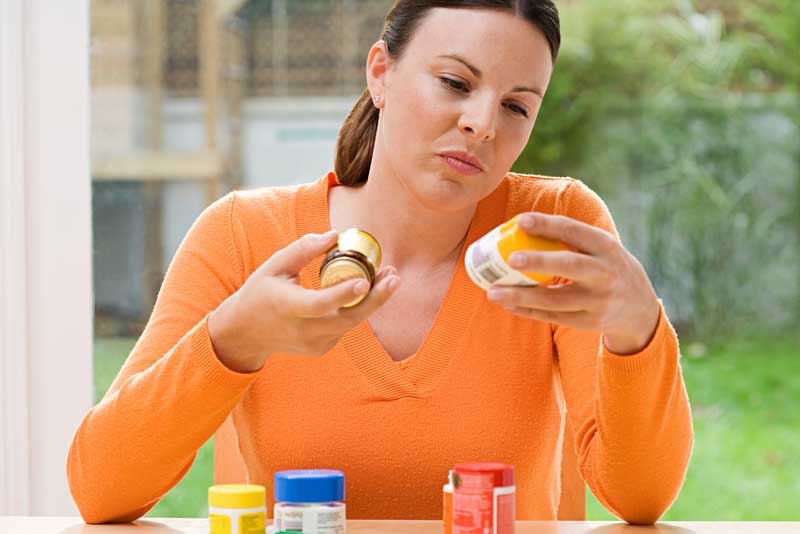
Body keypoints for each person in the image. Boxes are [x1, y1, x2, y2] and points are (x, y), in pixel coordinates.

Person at [68, 0, 692, 525]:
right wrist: (232, 340)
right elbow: (101, 488)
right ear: (381, 72)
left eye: (516, 105)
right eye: (454, 83)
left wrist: (637, 329)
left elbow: (638, 499)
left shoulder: (550, 231)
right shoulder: (243, 236)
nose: (481, 124)